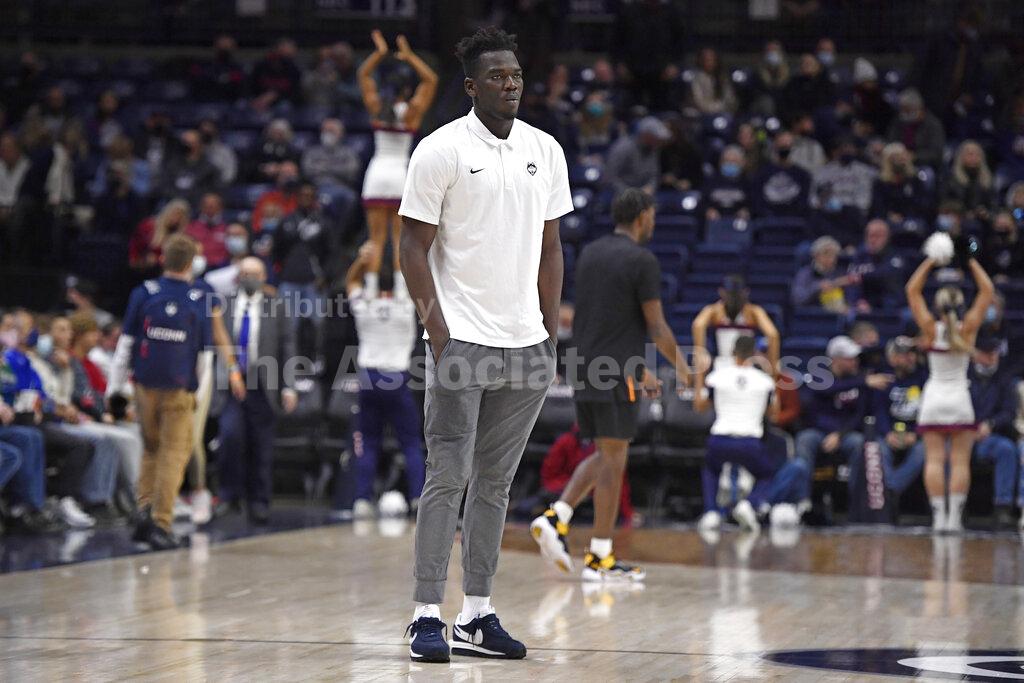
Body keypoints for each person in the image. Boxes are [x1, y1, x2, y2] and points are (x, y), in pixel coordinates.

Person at [398, 26, 567, 663]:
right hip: (461, 340)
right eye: (497, 76)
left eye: (516, 75)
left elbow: (552, 248)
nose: (510, 85)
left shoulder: (545, 150)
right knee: (448, 477)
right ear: (471, 86)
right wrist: (438, 334)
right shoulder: (439, 149)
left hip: (527, 343)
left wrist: (549, 333)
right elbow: (410, 246)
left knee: (495, 485)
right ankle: (425, 614)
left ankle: (476, 613)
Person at [531, 189, 689, 582]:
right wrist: (683, 368)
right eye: (652, 216)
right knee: (614, 457)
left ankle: (576, 531)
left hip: (584, 365)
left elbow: (605, 320)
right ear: (642, 216)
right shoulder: (642, 260)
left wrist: (639, 369)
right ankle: (577, 535)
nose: (653, 223)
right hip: (615, 371)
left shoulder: (591, 253)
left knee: (607, 455)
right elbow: (656, 326)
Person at [106, 234, 215, 549]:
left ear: (163, 259)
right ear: (191, 262)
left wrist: (115, 390)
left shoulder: (144, 292)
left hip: (143, 386)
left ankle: (143, 512)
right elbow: (205, 357)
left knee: (151, 449)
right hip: (178, 388)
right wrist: (197, 395)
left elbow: (125, 345)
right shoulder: (198, 298)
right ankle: (161, 522)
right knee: (174, 454)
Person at [905, 244, 995, 532]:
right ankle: (954, 519)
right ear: (961, 305)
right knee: (959, 461)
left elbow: (911, 290)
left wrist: (931, 260)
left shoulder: (931, 328)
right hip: (959, 398)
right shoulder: (968, 328)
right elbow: (988, 291)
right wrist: (970, 261)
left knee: (933, 459)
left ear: (938, 305)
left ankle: (938, 519)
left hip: (933, 398)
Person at [344, 242, 425, 518]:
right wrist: (403, 252)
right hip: (396, 378)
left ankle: (362, 499)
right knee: (410, 442)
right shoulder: (405, 306)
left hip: (369, 377)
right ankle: (417, 498)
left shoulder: (365, 306)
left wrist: (363, 261)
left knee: (368, 441)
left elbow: (351, 282)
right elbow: (411, 279)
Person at [215, 257, 298, 524]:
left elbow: (288, 346)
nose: (250, 278)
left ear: (264, 277)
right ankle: (228, 495)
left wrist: (289, 386)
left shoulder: (277, 305)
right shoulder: (223, 305)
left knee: (261, 446)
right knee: (230, 436)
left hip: (264, 383)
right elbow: (216, 344)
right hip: (231, 383)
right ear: (238, 277)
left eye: (255, 273)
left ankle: (259, 501)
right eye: (245, 273)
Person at [359, 30, 438, 286]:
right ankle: (402, 293)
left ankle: (370, 291)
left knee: (375, 238)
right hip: (400, 175)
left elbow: (363, 75)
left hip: (376, 173)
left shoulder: (376, 107)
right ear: (406, 89)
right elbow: (431, 80)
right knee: (399, 238)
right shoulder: (412, 112)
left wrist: (379, 53)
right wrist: (409, 55)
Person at [793, 335, 893, 511]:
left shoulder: (859, 379)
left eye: (855, 358)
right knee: (804, 439)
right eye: (849, 358)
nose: (855, 362)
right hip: (819, 431)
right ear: (836, 360)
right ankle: (802, 501)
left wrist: (839, 435)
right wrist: (864, 382)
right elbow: (826, 390)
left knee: (859, 443)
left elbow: (859, 415)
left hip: (845, 433)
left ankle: (856, 504)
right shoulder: (818, 376)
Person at [693, 336, 778, 532]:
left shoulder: (717, 376)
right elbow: (773, 413)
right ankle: (749, 504)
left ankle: (711, 512)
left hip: (720, 439)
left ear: (733, 353)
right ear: (754, 354)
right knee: (767, 474)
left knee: (711, 469)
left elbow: (700, 406)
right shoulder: (765, 381)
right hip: (750, 442)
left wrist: (699, 377)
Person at [852, 336, 927, 512]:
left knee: (924, 450)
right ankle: (890, 493)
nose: (910, 358)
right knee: (877, 449)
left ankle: (891, 489)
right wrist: (887, 433)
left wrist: (916, 434)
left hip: (915, 434)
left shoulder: (924, 378)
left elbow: (929, 411)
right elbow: (878, 411)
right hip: (888, 433)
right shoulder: (883, 378)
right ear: (892, 358)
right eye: (904, 354)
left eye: (912, 354)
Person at [968, 335, 1021, 530]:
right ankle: (954, 506)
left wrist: (990, 424)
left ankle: (1002, 508)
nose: (992, 357)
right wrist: (969, 428)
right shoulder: (963, 376)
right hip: (962, 436)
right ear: (975, 355)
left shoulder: (1004, 379)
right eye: (987, 353)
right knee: (945, 451)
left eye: (994, 353)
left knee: (1006, 449)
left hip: (991, 436)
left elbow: (1009, 413)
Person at [692, 274, 780, 383]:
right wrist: (701, 354)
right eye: (731, 294)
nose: (734, 298)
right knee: (701, 358)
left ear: (745, 292)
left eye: (736, 294)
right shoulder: (714, 311)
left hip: (748, 364)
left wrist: (772, 371)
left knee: (772, 365)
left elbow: (773, 335)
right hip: (723, 364)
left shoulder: (753, 312)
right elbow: (698, 325)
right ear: (722, 292)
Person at [846, 219, 906, 312]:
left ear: (887, 237)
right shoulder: (860, 256)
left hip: (893, 306)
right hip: (864, 305)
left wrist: (863, 275)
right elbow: (852, 281)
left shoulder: (895, 256)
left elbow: (887, 275)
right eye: (870, 236)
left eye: (877, 236)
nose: (873, 240)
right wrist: (858, 302)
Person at [752, 130, 812, 218]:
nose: (784, 147)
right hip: (768, 219)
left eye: (787, 143)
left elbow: (803, 203)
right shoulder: (762, 173)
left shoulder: (803, 175)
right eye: (782, 143)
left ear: (793, 147)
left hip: (794, 220)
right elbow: (758, 202)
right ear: (775, 145)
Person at [605, 116, 671, 195]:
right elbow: (610, 177)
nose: (659, 142)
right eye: (656, 137)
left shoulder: (653, 150)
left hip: (643, 195)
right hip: (619, 195)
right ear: (646, 135)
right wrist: (630, 193)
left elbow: (654, 175)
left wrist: (650, 187)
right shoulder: (622, 148)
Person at [870, 142, 930, 224]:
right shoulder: (880, 183)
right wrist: (889, 215)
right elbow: (878, 206)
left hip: (912, 219)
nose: (899, 160)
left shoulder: (915, 180)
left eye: (901, 156)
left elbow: (921, 204)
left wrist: (905, 216)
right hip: (886, 220)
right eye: (895, 157)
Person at [887, 89, 946, 170]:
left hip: (923, 165)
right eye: (903, 110)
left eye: (908, 110)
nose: (904, 114)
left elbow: (936, 154)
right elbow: (891, 141)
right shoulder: (899, 121)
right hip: (899, 162)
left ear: (919, 108)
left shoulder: (933, 125)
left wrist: (914, 156)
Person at [160, 130, 221, 205]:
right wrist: (178, 199)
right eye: (185, 142)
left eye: (190, 143)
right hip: (174, 204)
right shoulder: (172, 164)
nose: (186, 145)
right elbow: (165, 186)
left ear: (199, 145)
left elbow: (211, 191)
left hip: (197, 205)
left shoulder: (210, 168)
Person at [301, 118, 362, 190]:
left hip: (342, 187)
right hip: (315, 187)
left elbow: (351, 172)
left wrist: (323, 168)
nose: (327, 134)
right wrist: (336, 168)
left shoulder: (349, 153)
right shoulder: (311, 152)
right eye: (324, 130)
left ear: (340, 133)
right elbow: (307, 171)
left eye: (331, 131)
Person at [943, 140, 995, 224]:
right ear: (961, 157)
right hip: (956, 218)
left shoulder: (987, 180)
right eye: (970, 154)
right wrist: (964, 213)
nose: (974, 158)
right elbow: (945, 202)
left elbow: (993, 204)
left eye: (977, 155)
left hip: (981, 221)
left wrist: (986, 213)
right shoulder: (950, 178)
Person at [702, 146, 751, 221]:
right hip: (714, 222)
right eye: (727, 161)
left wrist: (747, 211)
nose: (730, 164)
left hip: (740, 223)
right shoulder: (710, 181)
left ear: (742, 163)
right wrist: (707, 210)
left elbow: (754, 204)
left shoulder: (748, 182)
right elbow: (701, 202)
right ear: (721, 162)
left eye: (734, 161)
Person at [204, 223, 251, 296]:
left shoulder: (260, 263)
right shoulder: (217, 266)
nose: (234, 238)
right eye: (230, 235)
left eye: (238, 235)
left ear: (247, 236)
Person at [691, 47, 737, 115]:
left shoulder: (722, 77)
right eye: (707, 60)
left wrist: (723, 107)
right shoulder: (696, 78)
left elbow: (730, 99)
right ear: (701, 61)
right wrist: (715, 108)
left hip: (723, 111)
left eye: (712, 59)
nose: (710, 62)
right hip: (702, 113)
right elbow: (698, 102)